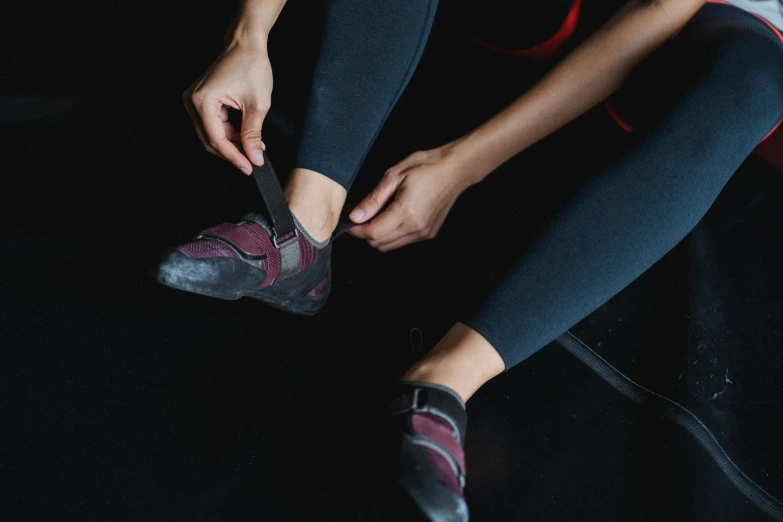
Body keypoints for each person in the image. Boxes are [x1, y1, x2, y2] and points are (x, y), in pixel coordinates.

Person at [157, 0, 783, 519]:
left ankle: (442, 388)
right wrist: (250, 33)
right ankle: (301, 229)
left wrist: (462, 164)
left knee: (757, 77)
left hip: (705, 40)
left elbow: (662, 9)